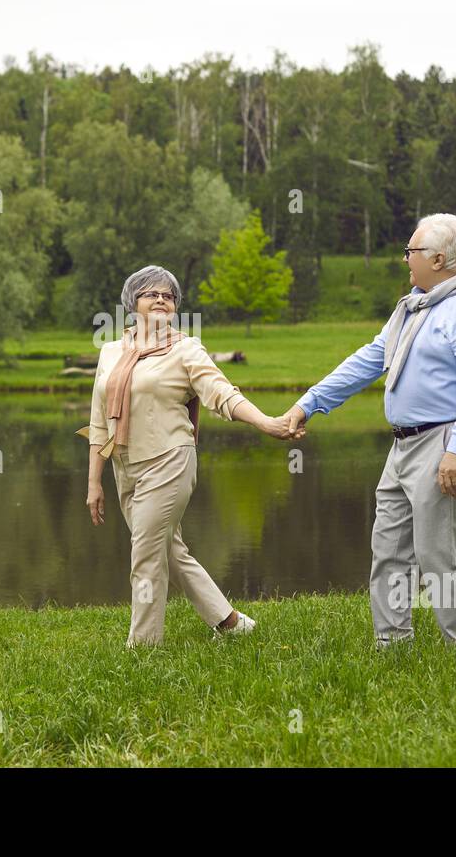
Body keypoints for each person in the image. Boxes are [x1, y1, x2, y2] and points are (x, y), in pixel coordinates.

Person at [280, 214, 456, 649]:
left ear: (439, 258)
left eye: (411, 251)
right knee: (388, 550)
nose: (405, 258)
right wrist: (310, 402)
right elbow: (370, 358)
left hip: (443, 441)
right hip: (402, 446)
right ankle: (392, 644)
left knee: (436, 554)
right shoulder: (415, 306)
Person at [78, 265, 298, 647]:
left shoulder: (186, 349)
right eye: (152, 294)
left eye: (169, 296)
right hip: (124, 465)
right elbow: (99, 421)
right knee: (167, 548)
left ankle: (143, 646)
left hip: (170, 461)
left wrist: (265, 423)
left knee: (145, 552)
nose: (162, 300)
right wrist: (94, 481)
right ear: (133, 303)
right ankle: (229, 622)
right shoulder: (112, 351)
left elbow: (221, 393)